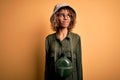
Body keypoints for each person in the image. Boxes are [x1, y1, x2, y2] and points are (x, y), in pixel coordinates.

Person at [44, 3, 83, 80]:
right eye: (62, 15)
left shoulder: (76, 38)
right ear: (56, 18)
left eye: (69, 15)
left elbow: (79, 65)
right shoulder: (49, 39)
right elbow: (47, 67)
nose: (66, 18)